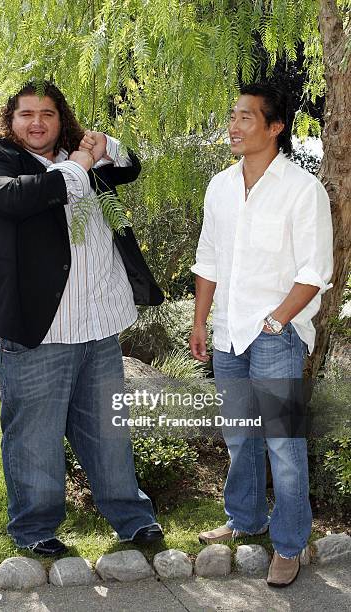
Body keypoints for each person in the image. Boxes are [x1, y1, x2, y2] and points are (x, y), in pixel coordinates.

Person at [0, 81, 164, 556]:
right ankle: (35, 529)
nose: (36, 123)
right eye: (25, 114)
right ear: (9, 122)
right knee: (34, 435)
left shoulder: (83, 160)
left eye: (47, 114)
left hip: (98, 326)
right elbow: (14, 199)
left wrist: (102, 144)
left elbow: (131, 165)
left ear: (61, 119)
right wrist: (79, 164)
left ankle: (133, 520)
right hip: (37, 329)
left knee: (109, 432)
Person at [189, 82, 333, 587]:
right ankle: (245, 520)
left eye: (246, 117)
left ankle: (289, 544)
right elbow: (208, 259)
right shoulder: (219, 187)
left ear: (275, 127)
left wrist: (275, 322)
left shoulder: (302, 189)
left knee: (283, 443)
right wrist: (201, 319)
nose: (233, 125)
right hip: (228, 333)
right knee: (240, 436)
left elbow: (316, 271)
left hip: (276, 335)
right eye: (232, 116)